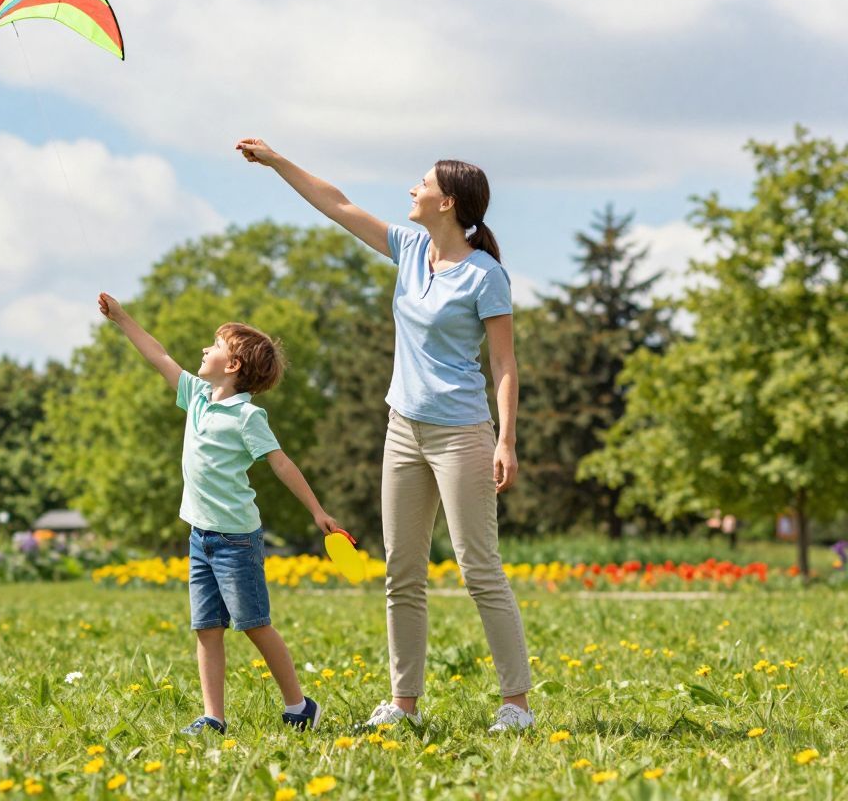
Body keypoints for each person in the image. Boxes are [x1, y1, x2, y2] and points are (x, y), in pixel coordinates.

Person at [236, 137, 534, 733]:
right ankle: (404, 704)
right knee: (402, 572)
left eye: (423, 183)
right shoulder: (410, 248)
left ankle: (516, 705)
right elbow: (338, 205)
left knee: (480, 569)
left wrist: (505, 440)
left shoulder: (485, 276)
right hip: (403, 431)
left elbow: (504, 364)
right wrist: (277, 161)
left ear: (447, 203)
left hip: (462, 435)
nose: (412, 189)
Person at [98, 292, 338, 734]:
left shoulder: (247, 416)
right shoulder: (196, 395)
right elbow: (158, 355)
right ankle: (214, 717)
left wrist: (317, 511)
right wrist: (122, 318)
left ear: (233, 366)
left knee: (255, 625)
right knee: (206, 628)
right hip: (200, 537)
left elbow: (281, 463)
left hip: (236, 540)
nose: (205, 349)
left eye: (215, 345)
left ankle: (300, 705)